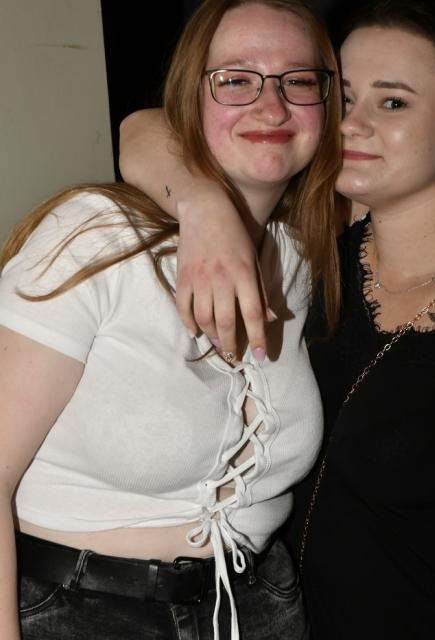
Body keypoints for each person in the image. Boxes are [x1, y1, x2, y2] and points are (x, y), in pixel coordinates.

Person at [119, 1, 435, 638]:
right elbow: (142, 129)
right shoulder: (318, 244)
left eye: (393, 102)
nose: (351, 125)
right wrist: (202, 204)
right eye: (344, 99)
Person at [0, 1, 344, 638]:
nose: (272, 107)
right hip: (81, 611)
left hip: (260, 607)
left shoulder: (304, 255)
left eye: (298, 80)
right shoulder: (97, 237)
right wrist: (201, 200)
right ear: (190, 98)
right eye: (235, 79)